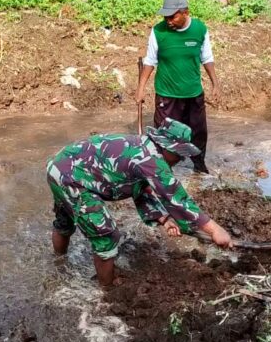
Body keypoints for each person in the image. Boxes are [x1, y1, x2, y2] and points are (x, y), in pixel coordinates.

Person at [47, 119, 234, 286]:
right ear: (167, 147)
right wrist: (215, 230)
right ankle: (107, 290)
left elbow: (139, 186)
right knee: (107, 234)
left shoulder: (144, 146)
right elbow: (177, 199)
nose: (180, 159)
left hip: (61, 166)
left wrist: (164, 218)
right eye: (179, 154)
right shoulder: (150, 159)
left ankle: (58, 263)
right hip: (72, 178)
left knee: (66, 217)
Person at [135, 0, 219, 174]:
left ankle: (199, 165)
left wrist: (215, 83)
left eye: (172, 17)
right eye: (166, 17)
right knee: (164, 135)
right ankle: (163, 171)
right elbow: (150, 61)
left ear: (185, 12)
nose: (168, 21)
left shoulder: (199, 29)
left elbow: (207, 58)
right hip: (167, 94)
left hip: (193, 93)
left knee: (198, 132)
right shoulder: (158, 31)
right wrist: (140, 89)